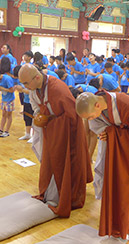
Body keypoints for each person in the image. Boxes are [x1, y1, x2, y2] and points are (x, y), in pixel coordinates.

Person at [75, 91, 129, 240]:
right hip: (118, 153)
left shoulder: (127, 105)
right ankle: (117, 222)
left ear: (98, 105)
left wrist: (114, 135)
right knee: (116, 187)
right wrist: (110, 134)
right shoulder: (99, 104)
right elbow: (103, 129)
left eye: (90, 117)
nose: (90, 121)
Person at [19, 64, 92, 218]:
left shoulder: (57, 88)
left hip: (66, 132)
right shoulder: (34, 90)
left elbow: (72, 114)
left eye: (26, 83)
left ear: (37, 77)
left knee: (63, 162)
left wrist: (50, 119)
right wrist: (40, 116)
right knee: (50, 161)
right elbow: (37, 107)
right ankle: (51, 192)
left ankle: (66, 196)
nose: (25, 87)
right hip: (50, 130)